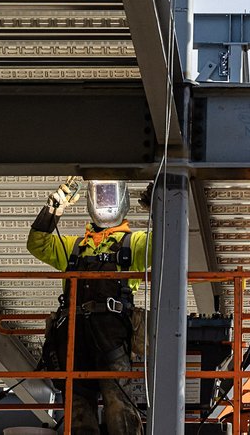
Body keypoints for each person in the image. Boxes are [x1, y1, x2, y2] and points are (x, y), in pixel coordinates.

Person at [28, 179, 151, 435]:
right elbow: (37, 243)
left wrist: (158, 209)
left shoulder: (135, 244)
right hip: (74, 339)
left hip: (111, 338)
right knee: (78, 410)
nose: (105, 201)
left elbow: (165, 246)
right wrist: (54, 208)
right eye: (100, 195)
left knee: (118, 405)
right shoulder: (74, 247)